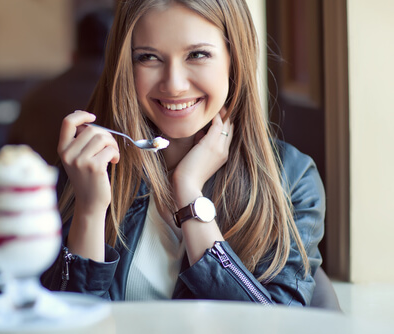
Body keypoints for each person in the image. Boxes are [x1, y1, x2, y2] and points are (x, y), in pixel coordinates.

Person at [42, 0, 325, 306]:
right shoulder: (89, 167)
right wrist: (90, 208)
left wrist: (189, 193)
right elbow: (65, 318)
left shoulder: (291, 178)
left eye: (197, 54)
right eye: (148, 57)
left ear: (235, 58)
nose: (174, 85)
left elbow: (273, 324)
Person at [7, 8, 114, 166]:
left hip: (39, 188)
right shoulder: (129, 99)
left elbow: (10, 156)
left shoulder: (36, 98)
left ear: (73, 56)